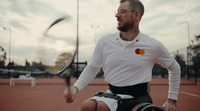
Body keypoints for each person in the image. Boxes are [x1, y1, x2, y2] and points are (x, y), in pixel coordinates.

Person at [64, 0, 180, 111]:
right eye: (117, 12)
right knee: (86, 106)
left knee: (103, 108)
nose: (117, 15)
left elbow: (174, 67)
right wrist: (75, 88)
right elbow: (92, 68)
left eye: (122, 12)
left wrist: (172, 99)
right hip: (112, 94)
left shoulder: (153, 45)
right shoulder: (105, 42)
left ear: (136, 15)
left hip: (137, 97)